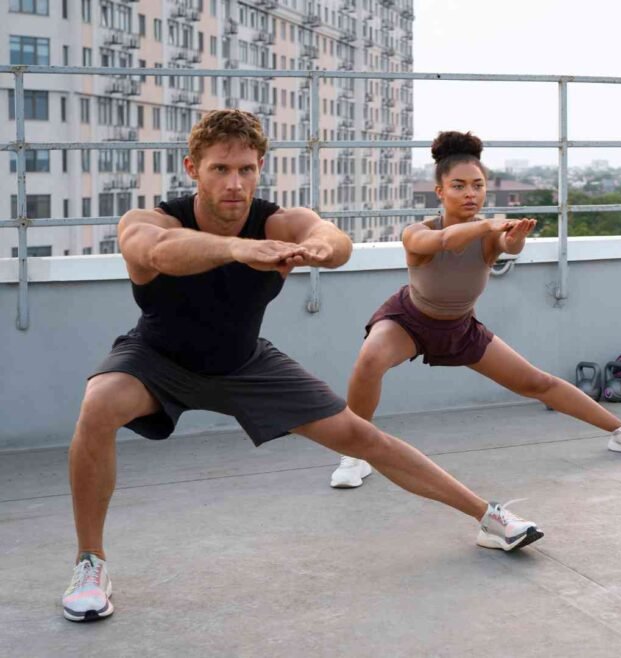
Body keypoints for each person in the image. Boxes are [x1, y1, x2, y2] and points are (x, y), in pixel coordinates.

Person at [62, 111, 541, 623]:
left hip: (246, 363)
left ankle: (487, 518)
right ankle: (91, 563)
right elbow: (156, 250)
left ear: (260, 168)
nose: (235, 182)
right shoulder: (153, 221)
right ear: (192, 169)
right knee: (99, 404)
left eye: (246, 169)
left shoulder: (274, 221)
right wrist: (238, 249)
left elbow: (335, 241)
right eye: (220, 169)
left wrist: (317, 248)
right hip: (158, 359)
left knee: (364, 438)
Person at [329, 131, 621, 489]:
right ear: (439, 191)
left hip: (460, 327)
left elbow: (507, 245)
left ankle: (620, 431)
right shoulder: (417, 232)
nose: (470, 193)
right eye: (458, 186)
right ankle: (355, 453)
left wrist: (515, 236)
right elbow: (441, 241)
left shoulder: (488, 235)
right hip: (409, 321)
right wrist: (486, 224)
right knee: (369, 361)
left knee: (536, 382)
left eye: (477, 185)